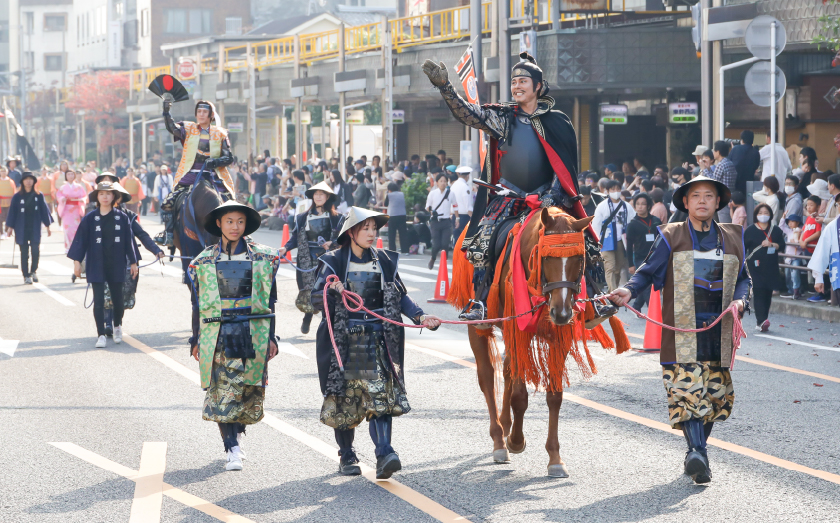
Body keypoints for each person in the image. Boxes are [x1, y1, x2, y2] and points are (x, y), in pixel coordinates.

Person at [423, 51, 604, 322]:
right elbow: (469, 115)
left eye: (523, 81)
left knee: (587, 242)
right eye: (514, 82)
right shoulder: (503, 117)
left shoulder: (559, 122)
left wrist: (551, 197)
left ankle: (595, 300)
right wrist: (445, 88)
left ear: (538, 87)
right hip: (508, 198)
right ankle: (480, 302)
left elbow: (564, 167)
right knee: (481, 243)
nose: (517, 86)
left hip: (549, 199)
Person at [608, 175, 751, 485]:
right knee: (687, 394)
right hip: (682, 331)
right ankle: (696, 453)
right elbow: (646, 272)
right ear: (685, 203)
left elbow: (744, 279)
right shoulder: (670, 235)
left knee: (713, 399)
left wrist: (740, 301)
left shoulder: (732, 237)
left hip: (718, 332)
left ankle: (698, 456)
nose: (702, 200)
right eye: (696, 196)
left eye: (709, 196)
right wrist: (629, 291)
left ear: (717, 203)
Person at [310, 207, 441, 479]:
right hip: (346, 344)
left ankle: (385, 453)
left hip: (378, 340)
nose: (371, 233)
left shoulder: (383, 261)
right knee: (346, 400)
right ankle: (347, 454)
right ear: (351, 233)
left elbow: (400, 296)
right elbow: (314, 298)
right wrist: (332, 290)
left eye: (374, 228)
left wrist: (420, 315)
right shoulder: (333, 262)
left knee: (381, 396)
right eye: (365, 228)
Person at [186, 200, 281, 472]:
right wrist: (195, 338)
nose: (235, 227)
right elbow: (197, 304)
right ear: (219, 223)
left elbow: (270, 301)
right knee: (221, 393)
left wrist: (272, 337)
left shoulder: (265, 258)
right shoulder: (202, 261)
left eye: (240, 221)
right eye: (229, 221)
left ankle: (236, 433)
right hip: (217, 333)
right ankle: (232, 449)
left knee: (248, 392)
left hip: (253, 332)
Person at [67, 182, 138, 348]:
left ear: (113, 196)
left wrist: (133, 261)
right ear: (97, 197)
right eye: (101, 194)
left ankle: (117, 325)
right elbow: (80, 242)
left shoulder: (122, 217)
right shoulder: (90, 218)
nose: (105, 196)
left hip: (116, 262)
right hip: (96, 263)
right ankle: (100, 335)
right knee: (98, 300)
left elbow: (129, 242)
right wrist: (77, 263)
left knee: (118, 299)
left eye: (108, 193)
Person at [157, 99, 235, 246]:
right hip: (190, 175)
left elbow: (229, 157)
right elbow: (171, 128)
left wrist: (216, 162)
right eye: (199, 111)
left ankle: (239, 235)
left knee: (232, 203)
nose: (201, 114)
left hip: (213, 176)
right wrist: (166, 112)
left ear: (211, 115)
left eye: (205, 112)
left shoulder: (220, 133)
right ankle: (168, 234)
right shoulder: (188, 128)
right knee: (168, 202)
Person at [279, 181, 345, 334]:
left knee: (327, 290)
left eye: (322, 194)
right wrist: (286, 248)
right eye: (316, 194)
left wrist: (333, 243)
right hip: (307, 258)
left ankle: (326, 322)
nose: (319, 196)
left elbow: (344, 238)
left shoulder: (337, 218)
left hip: (328, 259)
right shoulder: (303, 217)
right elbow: (295, 236)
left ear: (328, 197)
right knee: (310, 289)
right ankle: (308, 316)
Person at [4, 171, 53, 284]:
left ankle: (33, 271)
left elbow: (44, 211)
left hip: (35, 226)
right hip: (21, 227)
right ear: (22, 181)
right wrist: (10, 227)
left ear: (34, 181)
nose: (28, 181)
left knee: (35, 250)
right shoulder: (17, 196)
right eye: (26, 179)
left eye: (31, 179)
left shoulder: (39, 195)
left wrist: (48, 226)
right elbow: (12, 212)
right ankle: (26, 275)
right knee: (24, 252)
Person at [744, 203, 785, 331]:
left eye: (766, 213)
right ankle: (761, 321)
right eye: (760, 213)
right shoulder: (750, 230)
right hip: (755, 267)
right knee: (759, 291)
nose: (763, 215)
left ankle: (763, 320)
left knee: (768, 292)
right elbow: (743, 247)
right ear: (756, 215)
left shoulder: (776, 230)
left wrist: (772, 244)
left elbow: (782, 246)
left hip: (771, 267)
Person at [592, 180, 635, 291]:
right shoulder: (602, 206)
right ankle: (613, 291)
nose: (615, 192)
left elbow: (632, 222)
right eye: (612, 189)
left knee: (618, 267)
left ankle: (613, 289)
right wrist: (598, 241)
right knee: (609, 267)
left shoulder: (627, 206)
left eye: (618, 189)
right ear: (608, 191)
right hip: (606, 240)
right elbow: (596, 224)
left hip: (622, 240)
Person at [625, 193, 662, 311]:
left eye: (643, 204)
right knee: (647, 287)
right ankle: (654, 311)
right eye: (637, 204)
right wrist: (630, 264)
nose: (640, 207)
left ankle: (636, 306)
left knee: (649, 283)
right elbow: (629, 246)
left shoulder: (656, 221)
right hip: (640, 257)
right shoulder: (632, 224)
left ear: (648, 206)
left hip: (656, 256)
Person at [425, 173, 455, 270]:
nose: (443, 183)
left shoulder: (450, 194)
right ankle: (433, 259)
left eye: (445, 181)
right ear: (437, 182)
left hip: (446, 221)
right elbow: (427, 206)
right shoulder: (433, 193)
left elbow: (455, 205)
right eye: (441, 181)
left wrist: (457, 217)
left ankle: (444, 264)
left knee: (445, 244)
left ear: (447, 183)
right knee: (436, 244)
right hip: (435, 221)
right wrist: (431, 212)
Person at [56, 170, 88, 254]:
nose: (70, 176)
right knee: (67, 229)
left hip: (76, 209)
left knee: (76, 228)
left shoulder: (79, 187)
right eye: (68, 174)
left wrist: (82, 199)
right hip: (66, 208)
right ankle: (68, 246)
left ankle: (75, 246)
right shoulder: (62, 187)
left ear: (74, 176)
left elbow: (84, 196)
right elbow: (59, 196)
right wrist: (62, 198)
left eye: (71, 174)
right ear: (66, 176)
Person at [704, 141, 737, 223]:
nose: (713, 153)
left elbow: (713, 182)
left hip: (722, 199)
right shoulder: (729, 163)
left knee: (724, 227)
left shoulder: (721, 164)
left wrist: (704, 170)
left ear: (718, 152)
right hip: (730, 197)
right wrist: (708, 169)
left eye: (714, 151)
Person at [780, 214, 806, 300]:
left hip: (796, 256)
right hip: (788, 256)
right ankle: (790, 290)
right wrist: (783, 218)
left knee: (795, 274)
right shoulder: (789, 231)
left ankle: (796, 290)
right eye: (789, 221)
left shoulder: (801, 232)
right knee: (787, 274)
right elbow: (781, 226)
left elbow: (802, 247)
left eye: (792, 221)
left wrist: (796, 243)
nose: (790, 223)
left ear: (798, 223)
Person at [384, 182, 408, 255]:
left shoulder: (389, 195)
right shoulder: (402, 194)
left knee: (392, 234)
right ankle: (405, 250)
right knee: (403, 233)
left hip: (393, 216)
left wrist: (387, 194)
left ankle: (392, 250)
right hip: (402, 215)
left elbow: (385, 204)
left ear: (389, 189)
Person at [450, 166, 473, 241]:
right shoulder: (465, 187)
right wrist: (473, 218)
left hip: (454, 215)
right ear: (468, 176)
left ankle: (455, 253)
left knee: (456, 239)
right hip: (464, 217)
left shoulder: (453, 185)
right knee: (464, 239)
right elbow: (468, 205)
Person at [0, 166, 16, 237]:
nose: (3, 173)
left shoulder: (11, 181)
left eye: (4, 171)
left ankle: (7, 231)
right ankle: (1, 232)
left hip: (9, 201)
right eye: (2, 171)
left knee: (8, 217)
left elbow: (14, 191)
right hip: (0, 202)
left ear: (7, 172)